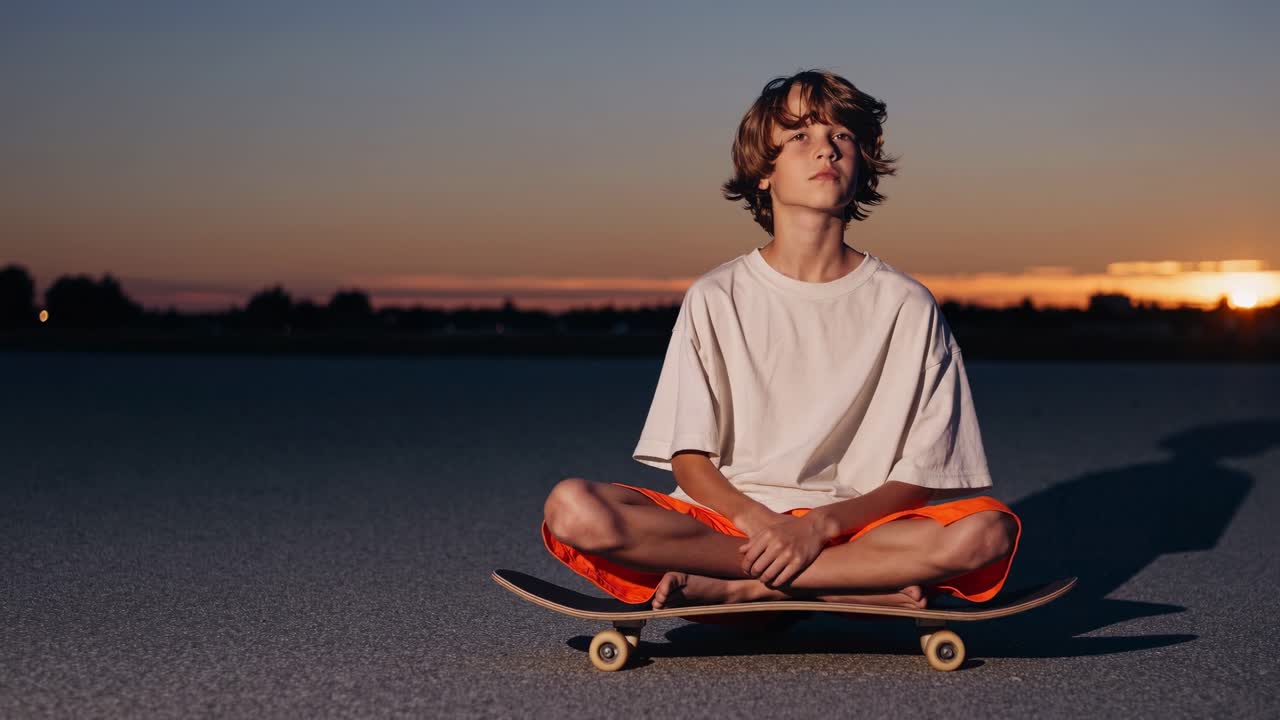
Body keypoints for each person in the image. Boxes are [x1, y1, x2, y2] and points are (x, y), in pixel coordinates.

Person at [541, 69, 1021, 616]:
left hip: (855, 529)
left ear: (861, 162)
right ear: (763, 173)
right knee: (573, 509)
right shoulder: (716, 295)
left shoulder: (906, 303)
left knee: (987, 534)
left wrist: (817, 528)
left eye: (841, 136)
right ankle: (843, 585)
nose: (826, 150)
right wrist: (764, 525)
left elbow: (923, 475)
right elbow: (690, 461)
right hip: (728, 522)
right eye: (800, 137)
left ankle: (743, 586)